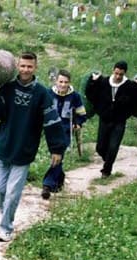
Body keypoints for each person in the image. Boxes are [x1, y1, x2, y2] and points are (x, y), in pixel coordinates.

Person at [0, 51, 67, 242]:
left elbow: (52, 122)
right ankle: (7, 213)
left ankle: (6, 227)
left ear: (35, 67)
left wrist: (57, 149)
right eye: (23, 66)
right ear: (17, 66)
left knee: (12, 194)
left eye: (30, 66)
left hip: (24, 151)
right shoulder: (7, 88)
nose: (26, 70)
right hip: (3, 148)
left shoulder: (42, 94)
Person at [85, 61, 137, 177]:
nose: (118, 76)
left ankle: (106, 170)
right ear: (113, 70)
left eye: (121, 74)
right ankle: (108, 159)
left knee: (113, 146)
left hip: (119, 121)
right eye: (116, 73)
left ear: (125, 73)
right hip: (104, 119)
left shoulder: (129, 85)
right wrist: (93, 81)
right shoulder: (104, 82)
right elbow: (90, 94)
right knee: (100, 147)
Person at [41, 69, 87, 199]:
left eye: (65, 82)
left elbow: (82, 114)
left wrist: (77, 123)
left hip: (65, 130)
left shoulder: (75, 96)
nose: (62, 85)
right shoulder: (49, 93)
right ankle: (59, 180)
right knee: (57, 157)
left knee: (58, 156)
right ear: (56, 81)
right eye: (60, 81)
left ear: (69, 83)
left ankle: (47, 185)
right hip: (50, 129)